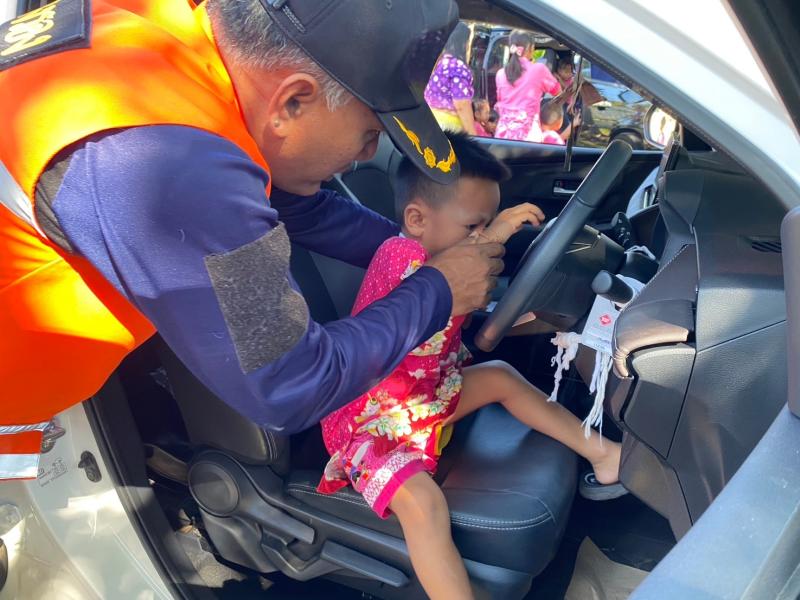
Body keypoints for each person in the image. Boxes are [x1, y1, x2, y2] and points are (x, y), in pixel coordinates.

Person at [0, 0, 505, 478]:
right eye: (370, 133)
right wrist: (438, 288)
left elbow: (300, 211)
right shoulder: (170, 164)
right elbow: (292, 385)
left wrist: (426, 251)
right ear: (293, 100)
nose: (365, 155)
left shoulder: (175, 46)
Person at [317, 132, 622, 600]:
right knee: (423, 505)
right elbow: (428, 302)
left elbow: (463, 321)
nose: (484, 239)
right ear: (416, 220)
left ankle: (604, 455)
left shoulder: (440, 258)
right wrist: (496, 235)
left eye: (486, 226)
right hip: (369, 422)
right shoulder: (400, 256)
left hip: (424, 397)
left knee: (501, 377)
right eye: (473, 228)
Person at [494, 30, 562, 141]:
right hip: (528, 137)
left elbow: (500, 102)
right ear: (531, 48)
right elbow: (558, 92)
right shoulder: (539, 69)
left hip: (502, 136)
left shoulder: (500, 74)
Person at [424, 22, 478, 134]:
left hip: (430, 125)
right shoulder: (457, 67)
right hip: (449, 128)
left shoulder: (438, 63)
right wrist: (473, 134)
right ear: (464, 43)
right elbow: (461, 104)